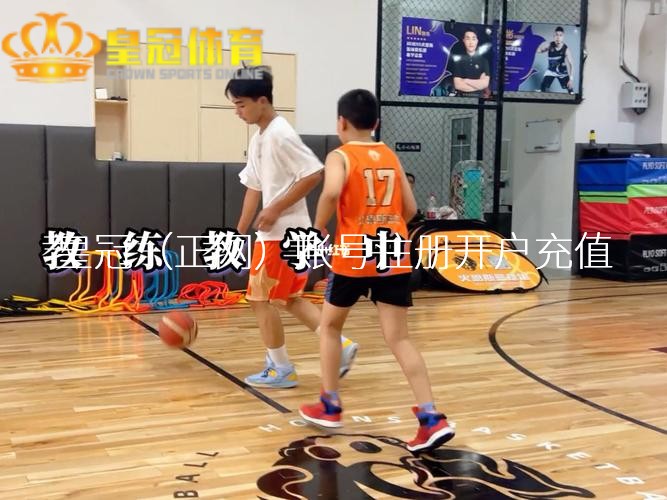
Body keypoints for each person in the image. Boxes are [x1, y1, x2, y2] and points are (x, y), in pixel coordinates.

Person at [299, 89, 454, 454]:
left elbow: (331, 191)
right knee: (399, 338)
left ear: (341, 122)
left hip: (355, 253)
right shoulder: (389, 155)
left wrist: (318, 226)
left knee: (330, 326)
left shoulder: (339, 156)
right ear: (376, 123)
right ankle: (431, 417)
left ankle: (330, 404)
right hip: (392, 253)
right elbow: (411, 209)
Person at [225, 66, 358, 388]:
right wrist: (239, 232)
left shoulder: (280, 133)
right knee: (287, 298)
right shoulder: (260, 137)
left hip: (283, 234)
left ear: (262, 101)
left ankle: (281, 368)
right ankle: (340, 346)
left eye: (241, 104)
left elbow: (312, 174)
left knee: (260, 299)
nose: (237, 111)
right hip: (278, 234)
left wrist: (275, 208)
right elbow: (253, 186)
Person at [451, 28, 491, 97]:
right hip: (461, 98)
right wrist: (478, 85)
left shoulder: (484, 61)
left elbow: (485, 84)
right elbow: (458, 85)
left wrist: (466, 80)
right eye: (468, 39)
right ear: (463, 40)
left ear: (477, 41)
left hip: (479, 98)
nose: (471, 42)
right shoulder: (458, 61)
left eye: (473, 39)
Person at [537, 26, 574, 94]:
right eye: (556, 35)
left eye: (560, 35)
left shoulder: (566, 49)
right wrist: (534, 47)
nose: (558, 37)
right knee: (542, 87)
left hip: (562, 72)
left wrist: (571, 79)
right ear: (554, 36)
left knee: (570, 89)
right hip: (551, 71)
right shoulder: (550, 45)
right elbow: (539, 51)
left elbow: (571, 64)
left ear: (563, 37)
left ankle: (572, 94)